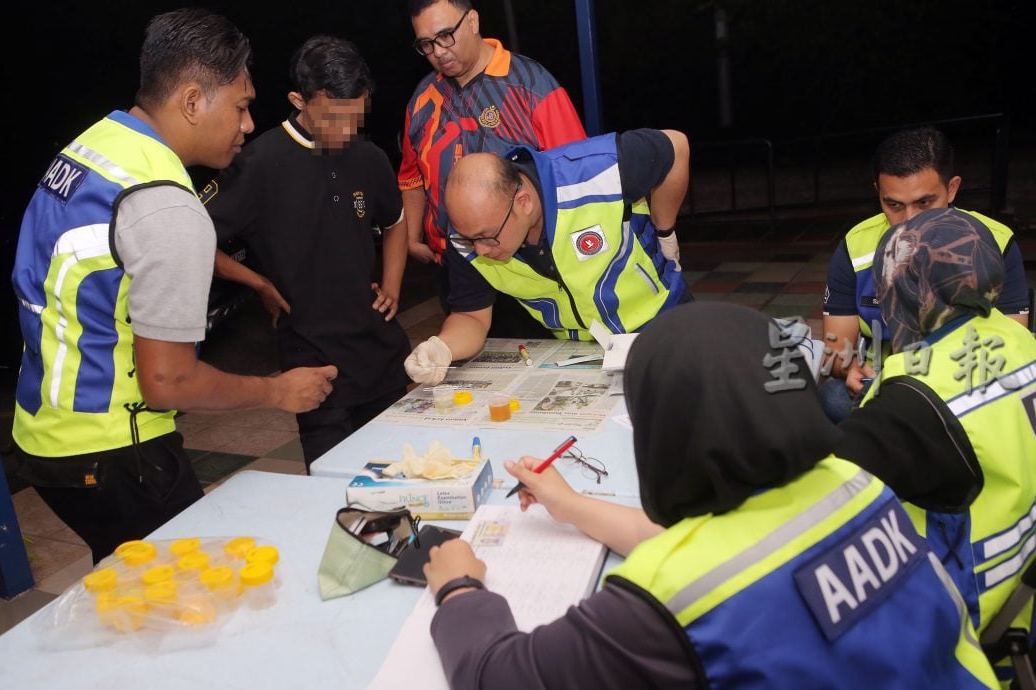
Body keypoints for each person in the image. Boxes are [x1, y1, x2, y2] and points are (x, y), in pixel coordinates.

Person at [421, 301, 998, 688]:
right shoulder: (852, 484)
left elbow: (498, 675)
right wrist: (569, 505)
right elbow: (730, 553)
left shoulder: (665, 603)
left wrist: (460, 589)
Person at [9, 8, 336, 563]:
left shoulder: (97, 147)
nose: (248, 124)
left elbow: (123, 247)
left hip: (41, 434)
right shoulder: (166, 203)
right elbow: (169, 381)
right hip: (112, 451)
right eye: (241, 105)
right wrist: (277, 391)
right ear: (191, 100)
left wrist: (251, 277)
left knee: (126, 590)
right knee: (185, 603)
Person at [834, 207, 1035, 680]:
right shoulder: (1016, 337)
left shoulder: (915, 398)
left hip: (969, 620)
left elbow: (822, 487)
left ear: (902, 289)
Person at [203, 36, 410, 470]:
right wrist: (256, 282)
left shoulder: (368, 157)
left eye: (356, 117)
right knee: (337, 491)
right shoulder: (257, 163)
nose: (347, 131)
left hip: (381, 357)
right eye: (335, 118)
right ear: (300, 99)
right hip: (315, 369)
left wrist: (391, 284)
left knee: (403, 478)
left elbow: (395, 222)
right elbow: (191, 239)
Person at [403, 129, 691, 385]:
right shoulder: (466, 237)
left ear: (523, 202)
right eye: (469, 237)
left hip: (664, 326)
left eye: (487, 235)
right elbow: (471, 316)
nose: (479, 250)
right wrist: (442, 347)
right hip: (587, 353)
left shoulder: (595, 170)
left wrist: (664, 229)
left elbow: (676, 146)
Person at [399, 0, 587, 338]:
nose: (438, 51)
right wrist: (413, 237)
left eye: (445, 36)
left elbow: (575, 172)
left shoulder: (530, 84)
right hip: (456, 267)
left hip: (527, 266)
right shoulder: (423, 98)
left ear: (472, 20)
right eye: (426, 44)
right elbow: (411, 175)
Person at [820, 126, 1030, 421]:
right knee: (834, 398)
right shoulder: (856, 247)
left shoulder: (993, 242)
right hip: (887, 380)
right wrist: (850, 368)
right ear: (878, 194)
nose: (909, 222)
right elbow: (835, 346)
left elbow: (1013, 340)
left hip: (968, 379)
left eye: (924, 203)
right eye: (893, 205)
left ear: (952, 188)